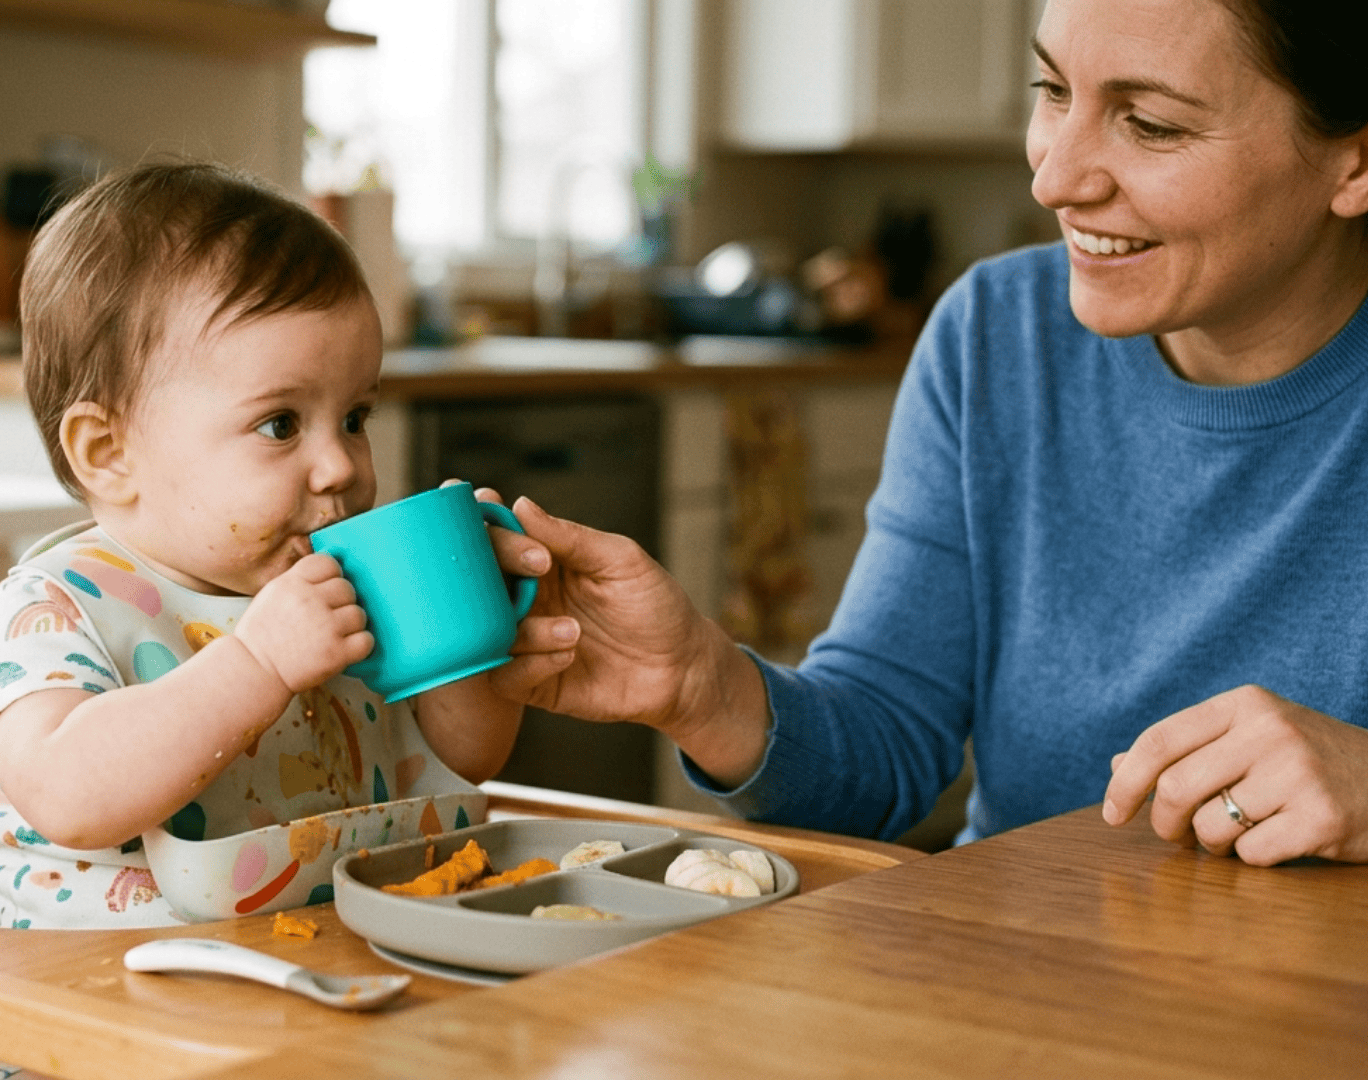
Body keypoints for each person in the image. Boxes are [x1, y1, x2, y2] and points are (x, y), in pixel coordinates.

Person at [481, 0, 1368, 869]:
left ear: (1353, 160)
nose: (1055, 179)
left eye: (1151, 125)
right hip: (1014, 972)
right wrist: (703, 687)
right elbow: (884, 750)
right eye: (1052, 90)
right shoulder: (995, 332)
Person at [0, 161, 522, 1079]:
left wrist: (476, 644)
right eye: (282, 426)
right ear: (110, 452)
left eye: (356, 416)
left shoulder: (329, 590)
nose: (341, 466)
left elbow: (464, 760)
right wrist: (254, 663)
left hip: (301, 1015)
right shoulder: (50, 608)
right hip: (68, 1036)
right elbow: (67, 793)